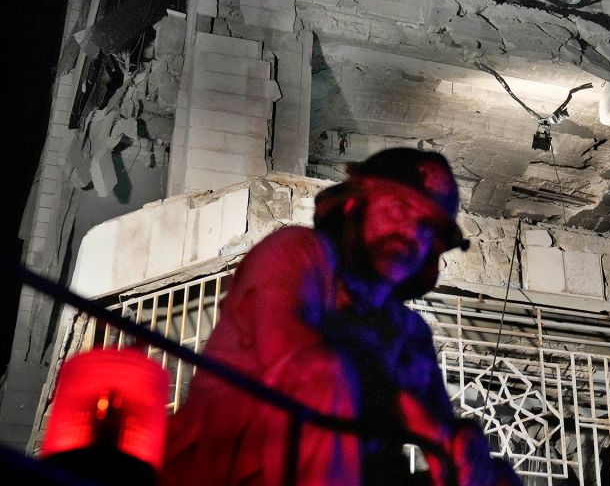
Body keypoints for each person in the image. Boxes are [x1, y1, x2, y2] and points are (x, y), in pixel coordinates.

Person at [161, 148, 519, 486]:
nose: (411, 232)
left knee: (497, 477)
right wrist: (412, 412)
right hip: (228, 465)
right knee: (325, 373)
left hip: (344, 473)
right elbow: (295, 361)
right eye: (398, 208)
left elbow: (442, 437)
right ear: (355, 204)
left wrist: (461, 443)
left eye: (427, 226)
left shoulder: (409, 333)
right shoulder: (298, 252)